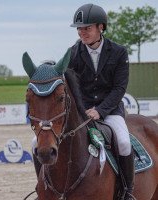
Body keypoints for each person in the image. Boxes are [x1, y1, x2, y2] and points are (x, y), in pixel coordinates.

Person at [68, 3, 135, 200]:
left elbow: (119, 88)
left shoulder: (119, 52)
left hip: (110, 111)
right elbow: (73, 88)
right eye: (79, 28)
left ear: (101, 27)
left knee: (123, 142)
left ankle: (127, 191)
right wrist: (83, 110)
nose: (82, 32)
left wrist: (100, 111)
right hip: (83, 113)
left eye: (87, 28)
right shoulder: (72, 53)